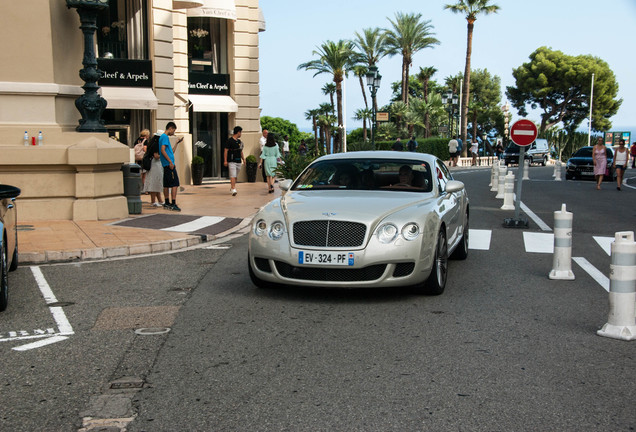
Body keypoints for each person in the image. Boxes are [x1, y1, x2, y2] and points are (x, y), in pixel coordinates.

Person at [160, 122, 183, 211]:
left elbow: (170, 151)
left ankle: (166, 202)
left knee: (166, 184)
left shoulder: (162, 137)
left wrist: (177, 143)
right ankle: (173, 203)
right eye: (173, 130)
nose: (173, 132)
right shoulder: (165, 137)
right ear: (170, 128)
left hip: (165, 164)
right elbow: (162, 150)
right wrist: (170, 162)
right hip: (169, 165)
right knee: (175, 184)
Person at [142, 131, 163, 207]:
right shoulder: (156, 145)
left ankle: (160, 200)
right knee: (154, 182)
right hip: (155, 165)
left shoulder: (152, 143)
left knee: (156, 182)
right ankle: (153, 201)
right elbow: (156, 156)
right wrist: (163, 155)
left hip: (153, 165)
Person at [224, 126, 246, 196]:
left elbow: (241, 151)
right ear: (238, 132)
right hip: (231, 160)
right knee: (232, 175)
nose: (241, 134)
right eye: (241, 132)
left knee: (235, 176)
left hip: (238, 161)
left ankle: (232, 187)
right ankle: (233, 189)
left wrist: (243, 159)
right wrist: (225, 160)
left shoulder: (239, 142)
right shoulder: (229, 141)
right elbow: (226, 150)